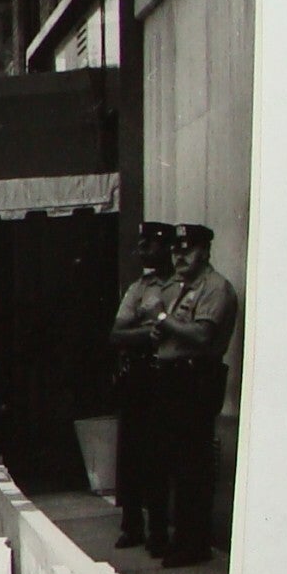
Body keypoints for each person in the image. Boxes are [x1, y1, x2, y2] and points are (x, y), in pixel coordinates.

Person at [145, 223, 240, 567]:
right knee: (177, 462)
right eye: (176, 250)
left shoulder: (215, 288)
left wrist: (160, 316)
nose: (180, 256)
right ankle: (183, 539)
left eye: (188, 250)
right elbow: (174, 332)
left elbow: (201, 336)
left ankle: (193, 543)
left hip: (195, 379)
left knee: (192, 465)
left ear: (205, 252)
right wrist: (162, 328)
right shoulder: (185, 288)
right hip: (175, 379)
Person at [108, 222, 180, 552]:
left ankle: (159, 532)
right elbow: (117, 333)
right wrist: (147, 333)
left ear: (165, 247)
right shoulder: (140, 288)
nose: (144, 251)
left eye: (149, 245)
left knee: (160, 454)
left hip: (169, 375)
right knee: (132, 453)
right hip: (139, 376)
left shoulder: (181, 286)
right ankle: (133, 525)